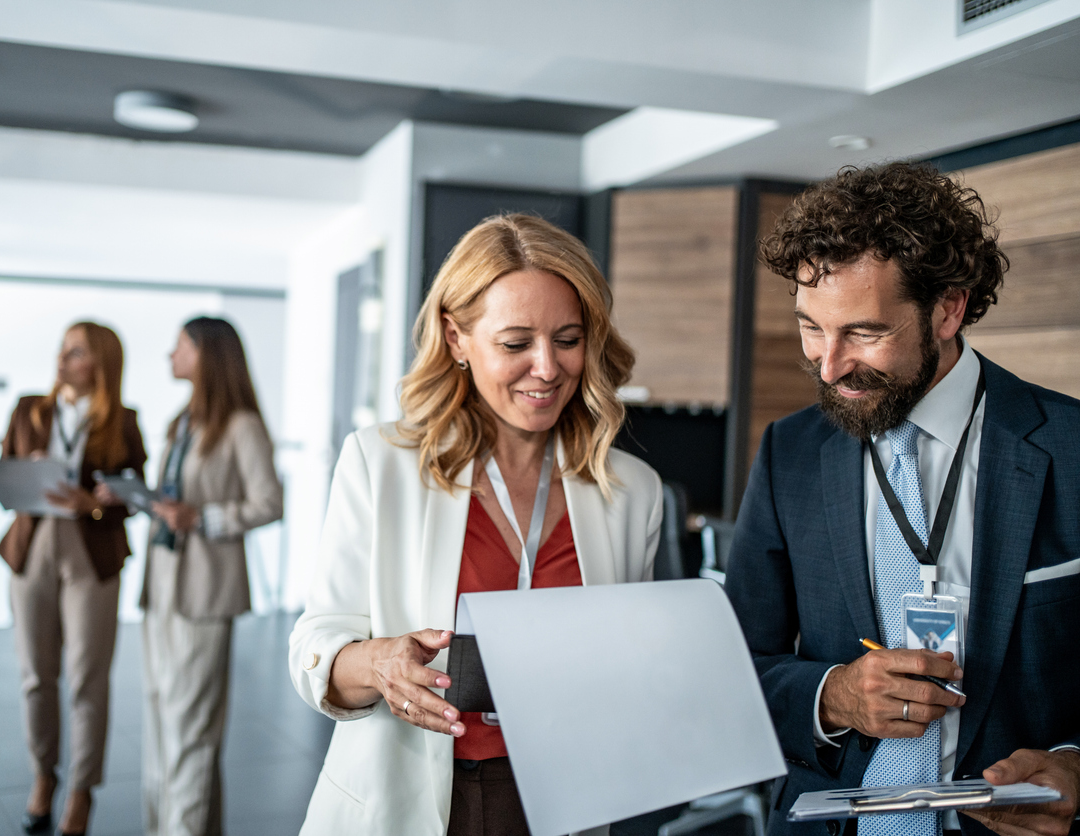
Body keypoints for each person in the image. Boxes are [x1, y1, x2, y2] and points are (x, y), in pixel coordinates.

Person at [724, 162, 1080, 836]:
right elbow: (733, 666)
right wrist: (832, 697)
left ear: (948, 308)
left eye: (864, 332)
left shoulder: (1072, 447)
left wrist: (1076, 766)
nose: (829, 366)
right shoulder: (788, 452)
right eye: (811, 327)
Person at [289, 214, 663, 836]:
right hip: (412, 799)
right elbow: (315, 644)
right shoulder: (380, 463)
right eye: (516, 344)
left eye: (567, 339)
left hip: (565, 800)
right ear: (456, 337)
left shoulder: (632, 491)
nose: (547, 368)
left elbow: (631, 663)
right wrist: (380, 664)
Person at [0, 321, 147, 836]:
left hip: (91, 550)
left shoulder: (123, 421)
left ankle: (81, 789)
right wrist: (28, 471)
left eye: (77, 352)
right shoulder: (28, 409)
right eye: (63, 350)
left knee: (88, 677)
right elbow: (5, 470)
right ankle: (44, 776)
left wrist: (95, 503)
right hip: (33, 543)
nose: (62, 360)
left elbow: (133, 495)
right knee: (35, 674)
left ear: (101, 363)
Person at [137, 317, 283, 836]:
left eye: (180, 346)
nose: (170, 355)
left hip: (204, 590)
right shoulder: (183, 423)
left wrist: (202, 518)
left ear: (207, 355)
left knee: (191, 729)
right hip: (162, 584)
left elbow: (270, 503)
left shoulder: (241, 425)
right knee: (161, 718)